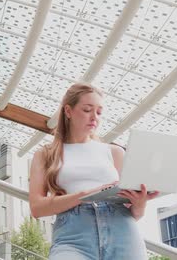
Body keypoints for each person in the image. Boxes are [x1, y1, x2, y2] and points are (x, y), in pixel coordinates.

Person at [29, 82, 159, 259]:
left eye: (99, 112)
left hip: (122, 232)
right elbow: (37, 208)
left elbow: (133, 213)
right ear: (68, 111)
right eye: (87, 110)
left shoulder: (115, 152)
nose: (94, 117)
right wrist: (87, 194)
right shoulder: (45, 154)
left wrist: (140, 203)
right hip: (72, 237)